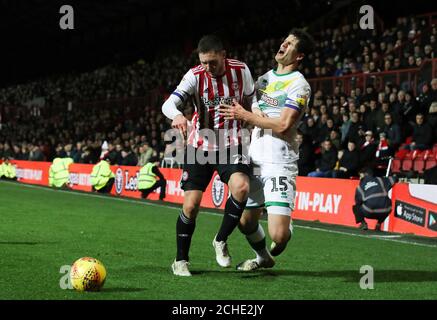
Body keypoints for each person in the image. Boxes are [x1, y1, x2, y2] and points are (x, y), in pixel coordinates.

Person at [219, 28, 314, 270]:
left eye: (291, 43)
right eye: (284, 40)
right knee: (244, 220)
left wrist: (247, 115)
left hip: (279, 162)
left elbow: (283, 124)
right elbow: (245, 111)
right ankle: (263, 258)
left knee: (279, 236)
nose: (284, 44)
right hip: (254, 159)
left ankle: (284, 225)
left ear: (299, 55)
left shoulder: (299, 85)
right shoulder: (261, 80)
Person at [162, 34, 256, 276]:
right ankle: (180, 260)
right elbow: (168, 104)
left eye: (212, 62)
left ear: (223, 55)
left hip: (232, 143)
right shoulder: (195, 76)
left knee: (242, 188)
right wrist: (177, 115)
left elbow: (253, 100)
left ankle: (220, 240)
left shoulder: (241, 70)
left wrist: (250, 117)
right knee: (191, 206)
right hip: (200, 145)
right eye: (204, 62)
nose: (208, 67)